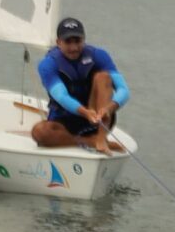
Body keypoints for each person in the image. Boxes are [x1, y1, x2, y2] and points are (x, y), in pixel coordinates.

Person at [32, 15, 128, 152]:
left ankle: (101, 138)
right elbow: (61, 96)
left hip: (98, 118)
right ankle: (90, 141)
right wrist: (85, 112)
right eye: (68, 42)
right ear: (58, 42)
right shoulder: (47, 65)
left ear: (83, 40)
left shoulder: (99, 55)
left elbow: (123, 90)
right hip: (65, 121)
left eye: (77, 41)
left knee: (103, 77)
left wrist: (109, 108)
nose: (74, 47)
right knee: (39, 132)